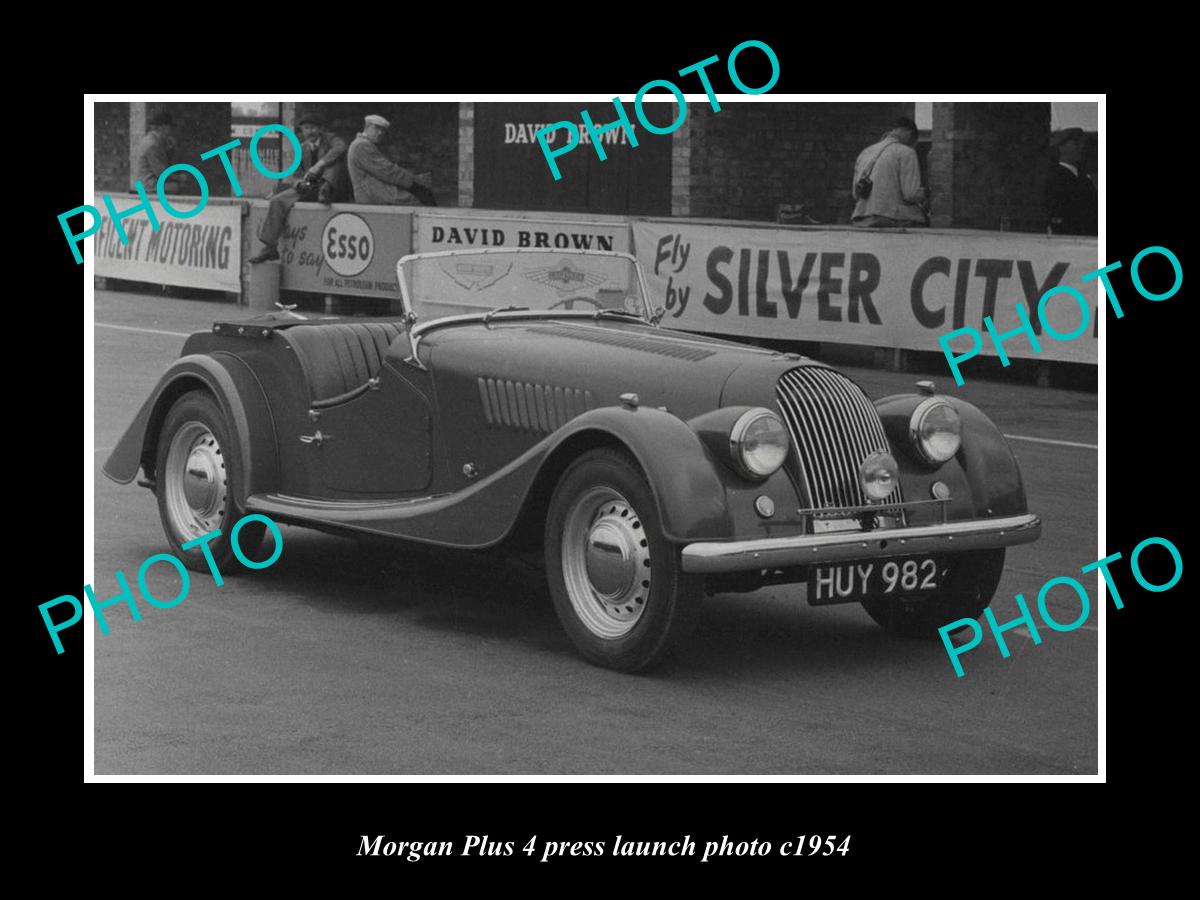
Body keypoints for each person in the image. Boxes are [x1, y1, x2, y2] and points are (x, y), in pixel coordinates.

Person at [248, 114, 348, 264]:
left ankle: (326, 189)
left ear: (320, 129)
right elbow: (295, 175)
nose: (310, 132)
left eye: (313, 128)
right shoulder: (302, 148)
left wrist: (319, 164)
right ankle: (269, 247)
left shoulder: (330, 139)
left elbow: (341, 147)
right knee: (277, 200)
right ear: (302, 131)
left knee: (333, 162)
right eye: (306, 128)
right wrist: (299, 183)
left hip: (334, 189)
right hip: (312, 188)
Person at [851, 117, 929, 228]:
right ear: (910, 134)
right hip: (889, 218)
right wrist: (926, 193)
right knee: (924, 220)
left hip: (860, 218)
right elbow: (911, 194)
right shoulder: (907, 152)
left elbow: (855, 195)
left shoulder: (866, 152)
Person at [347, 114, 434, 205]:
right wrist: (415, 180)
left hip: (375, 193)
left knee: (422, 194)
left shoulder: (364, 144)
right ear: (367, 127)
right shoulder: (361, 146)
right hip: (373, 195)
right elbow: (387, 171)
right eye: (376, 128)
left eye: (383, 130)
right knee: (420, 198)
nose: (380, 133)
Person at [1045, 127, 1096, 236]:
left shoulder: (1084, 178)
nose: (1081, 147)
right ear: (1062, 147)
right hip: (1068, 234)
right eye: (1076, 143)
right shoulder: (1055, 177)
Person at [133, 110, 177, 191]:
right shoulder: (153, 144)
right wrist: (179, 178)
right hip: (148, 185)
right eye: (169, 128)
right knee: (176, 187)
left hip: (147, 183)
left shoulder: (153, 140)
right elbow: (161, 173)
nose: (171, 131)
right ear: (163, 128)